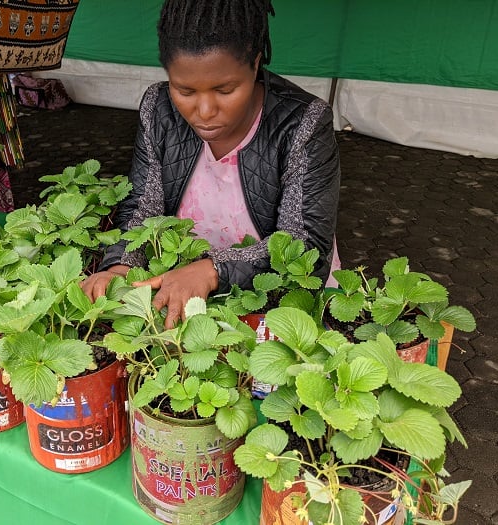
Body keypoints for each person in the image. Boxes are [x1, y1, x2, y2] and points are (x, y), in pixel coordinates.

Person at [81, 0, 340, 328]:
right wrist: (119, 265)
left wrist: (213, 270)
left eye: (225, 89)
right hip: (181, 287)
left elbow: (305, 246)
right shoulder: (157, 108)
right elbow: (141, 209)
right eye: (184, 90)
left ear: (255, 63)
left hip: (275, 302)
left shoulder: (302, 122)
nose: (204, 111)